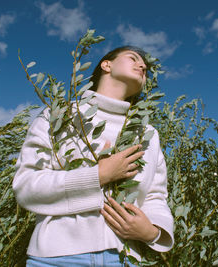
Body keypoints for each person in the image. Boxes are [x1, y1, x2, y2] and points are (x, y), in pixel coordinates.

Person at [13, 46, 174, 267]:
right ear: (106, 64)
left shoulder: (148, 135)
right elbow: (26, 186)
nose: (143, 66)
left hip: (126, 259)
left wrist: (152, 233)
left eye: (145, 66)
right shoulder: (59, 116)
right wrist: (99, 175)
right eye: (133, 58)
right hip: (56, 258)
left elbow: (155, 196)